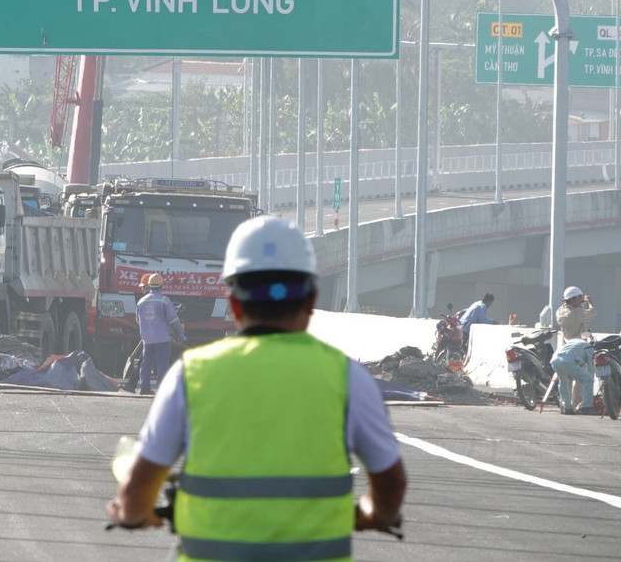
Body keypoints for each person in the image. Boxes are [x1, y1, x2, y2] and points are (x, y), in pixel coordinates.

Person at [106, 216, 406, 557]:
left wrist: (129, 513)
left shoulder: (190, 375)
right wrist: (373, 514)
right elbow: (391, 483)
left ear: (234, 304)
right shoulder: (349, 378)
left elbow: (138, 487)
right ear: (311, 302)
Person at [134, 273, 185, 396]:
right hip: (162, 338)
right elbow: (173, 320)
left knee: (146, 362)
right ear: (161, 286)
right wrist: (181, 334)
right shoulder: (164, 300)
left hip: (147, 338)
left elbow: (137, 319)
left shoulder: (141, 301)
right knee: (162, 363)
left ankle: (144, 388)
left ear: (149, 285)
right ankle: (161, 389)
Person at [550, 337, 596, 415]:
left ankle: (567, 407)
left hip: (555, 360)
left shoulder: (572, 343)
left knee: (563, 382)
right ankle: (586, 407)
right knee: (588, 380)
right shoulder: (590, 348)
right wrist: (591, 381)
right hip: (568, 361)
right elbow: (590, 369)